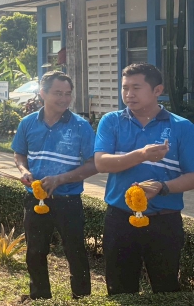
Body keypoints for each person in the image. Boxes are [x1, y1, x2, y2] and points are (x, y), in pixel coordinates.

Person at [94, 63, 194, 294]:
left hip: (164, 220)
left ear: (157, 90)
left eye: (136, 88)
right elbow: (101, 163)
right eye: (125, 88)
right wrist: (142, 155)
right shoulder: (111, 121)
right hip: (120, 218)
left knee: (166, 290)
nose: (129, 94)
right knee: (120, 290)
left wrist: (162, 187)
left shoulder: (182, 127)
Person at [11, 70, 97, 300]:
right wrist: (24, 171)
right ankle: (40, 297)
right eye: (58, 93)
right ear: (43, 93)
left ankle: (82, 297)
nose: (64, 99)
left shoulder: (81, 126)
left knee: (75, 250)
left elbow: (93, 165)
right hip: (35, 199)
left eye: (68, 94)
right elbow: (19, 154)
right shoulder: (28, 123)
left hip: (68, 200)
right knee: (35, 251)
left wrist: (60, 179)